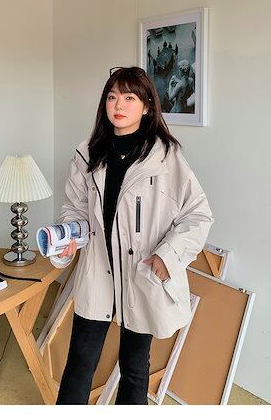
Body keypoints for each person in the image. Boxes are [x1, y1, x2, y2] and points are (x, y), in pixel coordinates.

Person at [50, 66, 214, 405]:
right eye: (112, 97)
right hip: (98, 272)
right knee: (79, 365)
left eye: (129, 98)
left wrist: (168, 255)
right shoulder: (87, 154)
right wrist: (68, 236)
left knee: (135, 368)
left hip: (141, 275)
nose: (118, 105)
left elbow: (198, 215)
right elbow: (74, 208)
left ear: (147, 106)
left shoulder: (166, 158)